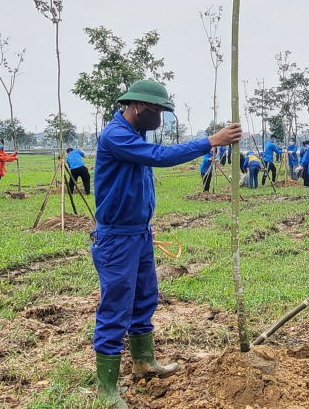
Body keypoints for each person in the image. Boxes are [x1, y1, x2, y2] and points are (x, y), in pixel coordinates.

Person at [91, 79, 241, 407]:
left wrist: (142, 226)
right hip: (117, 238)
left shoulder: (135, 135)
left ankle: (144, 361)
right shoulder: (116, 135)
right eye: (157, 109)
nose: (159, 116)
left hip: (139, 233)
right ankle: (106, 389)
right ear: (137, 106)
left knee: (145, 297)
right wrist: (211, 141)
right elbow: (161, 156)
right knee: (116, 305)